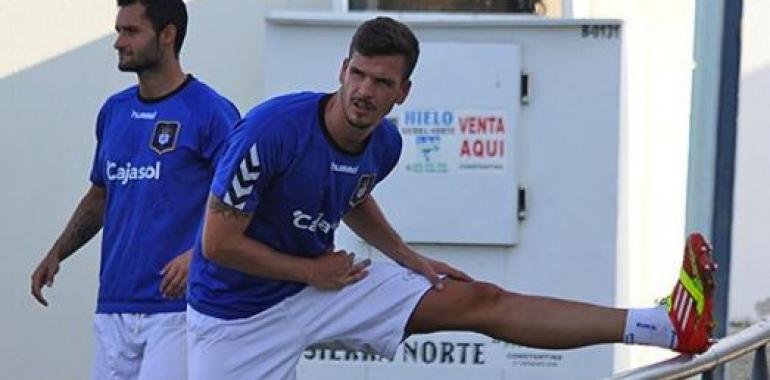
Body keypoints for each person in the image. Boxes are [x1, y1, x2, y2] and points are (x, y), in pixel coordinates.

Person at [186, 16, 716, 380]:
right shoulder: (270, 129)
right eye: (358, 75)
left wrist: (408, 258)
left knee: (480, 299)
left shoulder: (385, 143)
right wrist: (312, 273)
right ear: (342, 71)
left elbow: (352, 195)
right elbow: (218, 243)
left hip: (322, 282)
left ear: (404, 92)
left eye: (381, 82)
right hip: (235, 316)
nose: (364, 92)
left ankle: (661, 325)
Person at [29, 0, 239, 379]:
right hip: (112, 304)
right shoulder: (114, 111)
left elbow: (244, 200)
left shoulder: (211, 112)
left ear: (168, 35)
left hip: (177, 310)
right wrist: (58, 252)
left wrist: (198, 255)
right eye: (118, 31)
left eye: (130, 31)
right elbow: (101, 194)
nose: (118, 42)